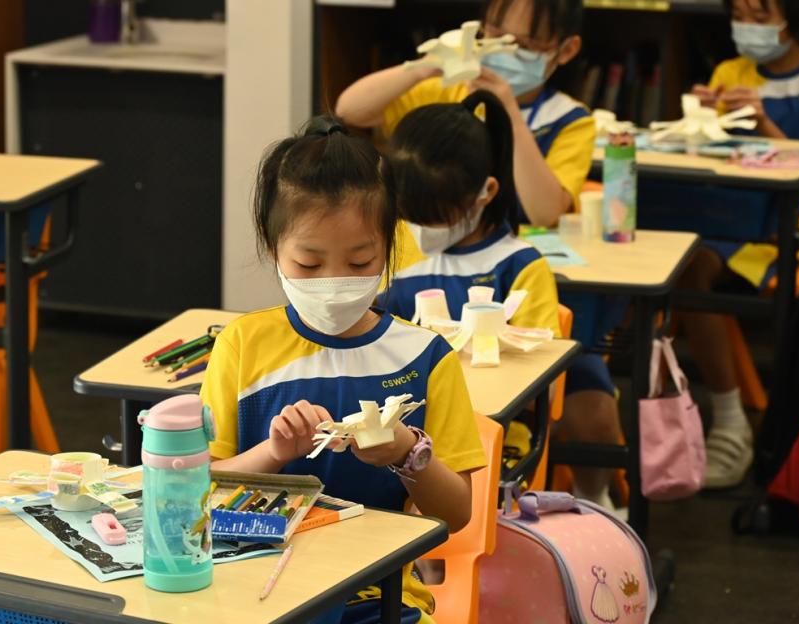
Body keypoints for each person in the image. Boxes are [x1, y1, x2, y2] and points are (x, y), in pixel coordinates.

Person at [200, 116, 486, 624]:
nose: (334, 284)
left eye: (359, 263)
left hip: (375, 595)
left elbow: (456, 514)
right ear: (272, 246)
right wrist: (273, 454)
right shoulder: (242, 345)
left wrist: (407, 453)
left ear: (389, 248)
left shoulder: (424, 356)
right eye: (309, 265)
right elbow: (196, 491)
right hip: (251, 586)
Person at [380, 90, 623, 512]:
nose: (420, 228)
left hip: (493, 430)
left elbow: (539, 386)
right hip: (405, 427)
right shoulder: (390, 247)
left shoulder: (518, 266)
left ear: (486, 191)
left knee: (437, 507)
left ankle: (596, 510)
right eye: (409, 213)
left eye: (436, 215)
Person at [679, 0, 799, 488]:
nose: (747, 27)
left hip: (790, 228)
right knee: (677, 265)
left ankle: (736, 424)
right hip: (725, 216)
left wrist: (762, 124)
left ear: (794, 18)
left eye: (760, 17)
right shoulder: (730, 72)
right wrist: (699, 120)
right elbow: (709, 156)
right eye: (739, 15)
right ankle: (713, 420)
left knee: (694, 272)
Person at [336, 0, 593, 228]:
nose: (506, 52)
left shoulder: (570, 120)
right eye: (496, 35)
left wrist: (509, 113)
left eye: (526, 45)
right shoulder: (449, 91)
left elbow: (545, 215)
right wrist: (424, 68)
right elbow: (349, 111)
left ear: (567, 50)